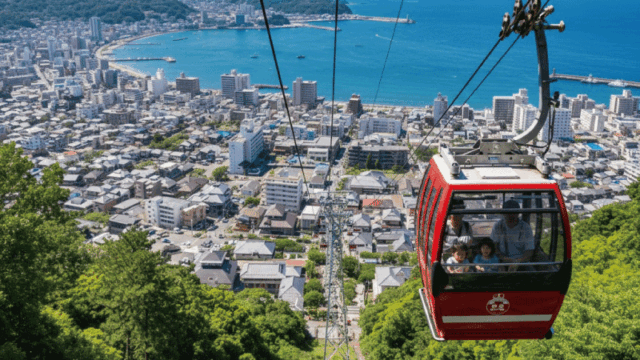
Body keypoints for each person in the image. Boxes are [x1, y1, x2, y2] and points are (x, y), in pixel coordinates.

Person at [490, 199, 535, 272]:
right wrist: (504, 259)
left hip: (521, 262)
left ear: (518, 214)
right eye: (508, 214)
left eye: (513, 213)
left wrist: (517, 262)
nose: (511, 216)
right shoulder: (498, 226)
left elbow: (529, 251)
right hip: (502, 260)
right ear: (504, 214)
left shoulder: (525, 228)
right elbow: (493, 247)